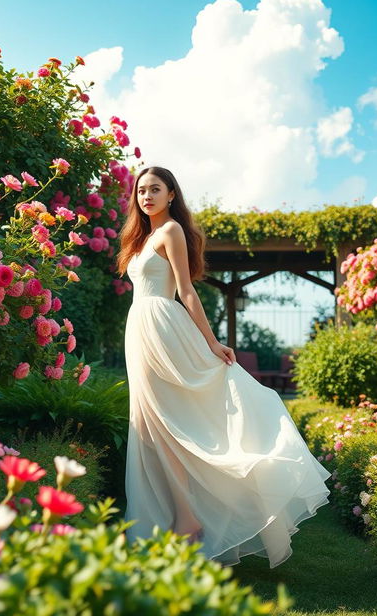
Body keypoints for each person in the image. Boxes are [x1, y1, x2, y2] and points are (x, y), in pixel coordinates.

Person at [116, 166, 331, 568]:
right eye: (141, 190)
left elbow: (186, 291)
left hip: (163, 329)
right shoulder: (141, 239)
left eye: (155, 189)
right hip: (140, 331)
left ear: (171, 194)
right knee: (148, 426)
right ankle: (184, 514)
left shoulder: (171, 232)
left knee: (162, 423)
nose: (147, 196)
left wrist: (212, 343)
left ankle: (188, 516)